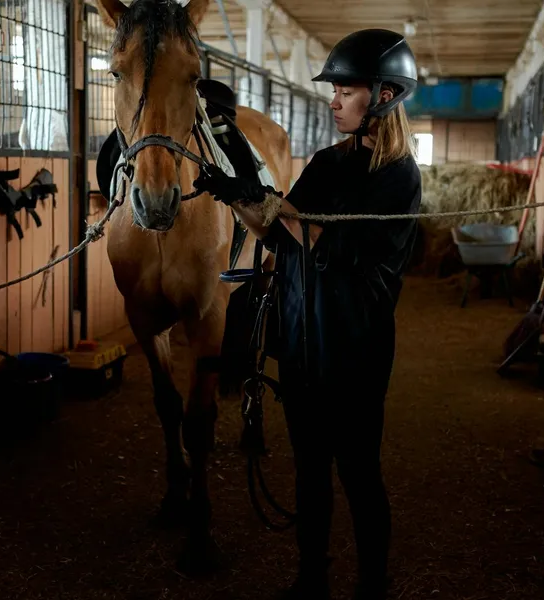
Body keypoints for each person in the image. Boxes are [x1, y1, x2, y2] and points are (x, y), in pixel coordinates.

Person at [194, 28, 424, 600]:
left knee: (360, 475)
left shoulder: (399, 178)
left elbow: (334, 245)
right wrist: (236, 196)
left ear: (386, 95)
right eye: (336, 91)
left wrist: (270, 201)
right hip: (300, 338)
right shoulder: (325, 161)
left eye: (346, 90)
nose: (334, 100)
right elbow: (278, 232)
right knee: (310, 471)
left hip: (354, 347)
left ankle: (373, 583)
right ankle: (311, 578)